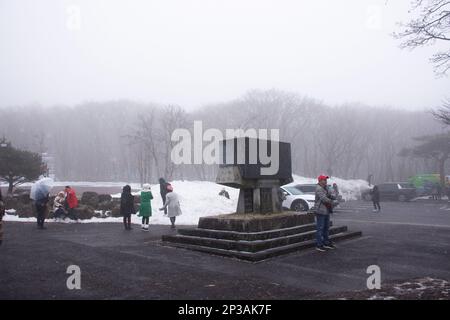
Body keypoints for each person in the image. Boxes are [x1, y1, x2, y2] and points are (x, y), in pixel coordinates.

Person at [314, 175, 337, 252]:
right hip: (320, 211)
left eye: (326, 180)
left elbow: (330, 195)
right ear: (320, 181)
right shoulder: (319, 189)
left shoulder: (326, 187)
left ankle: (326, 242)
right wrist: (332, 202)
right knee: (320, 228)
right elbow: (324, 199)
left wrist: (334, 196)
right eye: (324, 180)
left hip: (326, 210)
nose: (325, 181)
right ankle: (319, 245)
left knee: (326, 227)